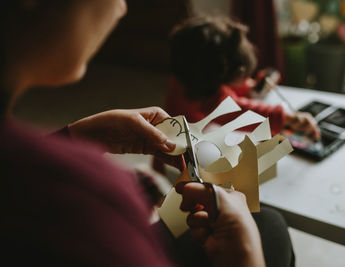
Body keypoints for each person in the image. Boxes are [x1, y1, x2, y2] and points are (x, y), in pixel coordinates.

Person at [0, 1, 293, 266]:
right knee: (269, 227)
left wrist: (73, 137)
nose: (122, 8)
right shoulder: (86, 191)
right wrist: (245, 259)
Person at [166, 16, 320, 138]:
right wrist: (289, 118)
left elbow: (226, 89)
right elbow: (244, 112)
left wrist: (249, 87)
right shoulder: (205, 99)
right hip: (179, 166)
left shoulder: (192, 71)